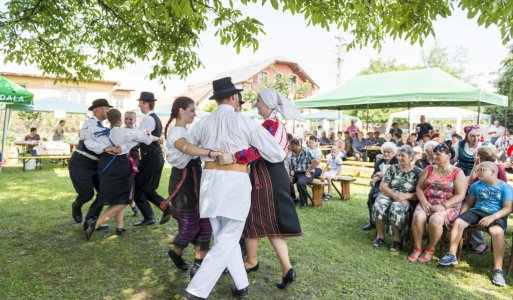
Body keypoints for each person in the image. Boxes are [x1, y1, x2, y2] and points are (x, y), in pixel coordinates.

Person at [183, 77, 285, 300]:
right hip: (235, 182)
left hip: (209, 183)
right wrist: (247, 153)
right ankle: (196, 290)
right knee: (228, 238)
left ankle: (241, 284)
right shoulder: (245, 123)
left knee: (222, 236)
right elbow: (277, 153)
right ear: (232, 97)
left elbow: (185, 145)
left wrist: (208, 152)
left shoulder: (203, 123)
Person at [232, 88, 303, 290]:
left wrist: (235, 157)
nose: (256, 105)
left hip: (267, 176)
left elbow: (256, 151)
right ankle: (286, 267)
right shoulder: (274, 124)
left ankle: (251, 261)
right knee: (270, 222)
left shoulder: (269, 125)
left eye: (259, 102)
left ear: (270, 104)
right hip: (273, 175)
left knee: (253, 216)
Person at [161, 97, 223, 278]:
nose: (195, 114)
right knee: (189, 226)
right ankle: (175, 252)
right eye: (192, 110)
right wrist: (211, 152)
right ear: (181, 110)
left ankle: (198, 265)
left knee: (205, 224)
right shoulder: (175, 133)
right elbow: (187, 148)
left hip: (198, 178)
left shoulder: (189, 131)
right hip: (183, 182)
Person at [84, 109, 159, 240]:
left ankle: (120, 226)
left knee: (118, 197)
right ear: (120, 120)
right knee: (125, 199)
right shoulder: (124, 132)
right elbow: (144, 137)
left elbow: (86, 141)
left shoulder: (99, 132)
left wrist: (105, 148)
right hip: (119, 165)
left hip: (105, 164)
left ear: (109, 120)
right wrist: (158, 138)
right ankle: (95, 223)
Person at [439, 161, 513, 287]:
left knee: (498, 232)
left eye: (482, 170)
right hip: (477, 211)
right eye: (478, 170)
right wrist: (461, 216)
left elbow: (508, 208)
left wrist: (492, 217)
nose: (478, 172)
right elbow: (468, 203)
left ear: (493, 172)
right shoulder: (476, 186)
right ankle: (451, 255)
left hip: (496, 214)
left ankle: (498, 270)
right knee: (459, 222)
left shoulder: (505, 187)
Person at [409, 142, 467, 263]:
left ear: (449, 155)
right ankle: (417, 248)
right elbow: (419, 188)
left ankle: (430, 249)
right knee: (418, 216)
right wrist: (424, 202)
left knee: (435, 219)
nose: (434, 157)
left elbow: (460, 195)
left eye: (438, 154)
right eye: (434, 154)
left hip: (448, 204)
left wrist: (443, 206)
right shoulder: (429, 169)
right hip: (428, 202)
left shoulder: (457, 172)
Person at [69, 99, 113, 226]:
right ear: (98, 109)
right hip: (80, 163)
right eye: (107, 108)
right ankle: (76, 205)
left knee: (104, 193)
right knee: (87, 195)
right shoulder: (89, 123)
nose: (109, 111)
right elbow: (87, 140)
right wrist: (105, 147)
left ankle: (91, 220)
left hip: (96, 165)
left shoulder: (102, 126)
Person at [371, 145, 422, 252]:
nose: (399, 158)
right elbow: (383, 186)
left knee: (396, 208)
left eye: (402, 155)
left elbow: (421, 192)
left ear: (411, 157)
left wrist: (406, 197)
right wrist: (395, 196)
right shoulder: (393, 168)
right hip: (390, 194)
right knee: (379, 205)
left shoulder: (418, 172)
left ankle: (396, 239)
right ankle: (380, 236)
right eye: (398, 155)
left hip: (407, 198)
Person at [133, 91, 172, 226]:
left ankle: (161, 211)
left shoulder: (149, 119)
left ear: (146, 104)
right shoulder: (153, 118)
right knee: (147, 190)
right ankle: (155, 214)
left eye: (140, 102)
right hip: (153, 157)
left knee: (138, 189)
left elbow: (140, 137)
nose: (138, 105)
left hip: (150, 157)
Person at [362, 142, 398, 231]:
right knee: (371, 197)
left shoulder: (397, 162)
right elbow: (373, 175)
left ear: (394, 153)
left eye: (388, 152)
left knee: (379, 199)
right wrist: (376, 176)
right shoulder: (379, 162)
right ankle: (372, 222)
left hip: (392, 186)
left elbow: (396, 176)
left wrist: (382, 175)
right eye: (384, 152)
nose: (386, 154)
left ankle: (384, 221)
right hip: (378, 185)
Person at [289, 138, 321, 209]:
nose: (289, 147)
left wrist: (308, 170)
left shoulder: (307, 151)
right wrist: (291, 171)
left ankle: (303, 203)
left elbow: (316, 162)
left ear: (294, 145)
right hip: (297, 173)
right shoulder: (292, 153)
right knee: (286, 181)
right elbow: (291, 166)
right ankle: (294, 199)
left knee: (300, 183)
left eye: (290, 146)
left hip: (307, 173)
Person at [124, 111, 141, 216]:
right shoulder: (120, 130)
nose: (128, 121)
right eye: (126, 118)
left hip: (133, 158)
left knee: (130, 180)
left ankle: (132, 202)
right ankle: (132, 204)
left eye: (130, 119)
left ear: (135, 120)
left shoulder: (138, 131)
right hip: (122, 158)